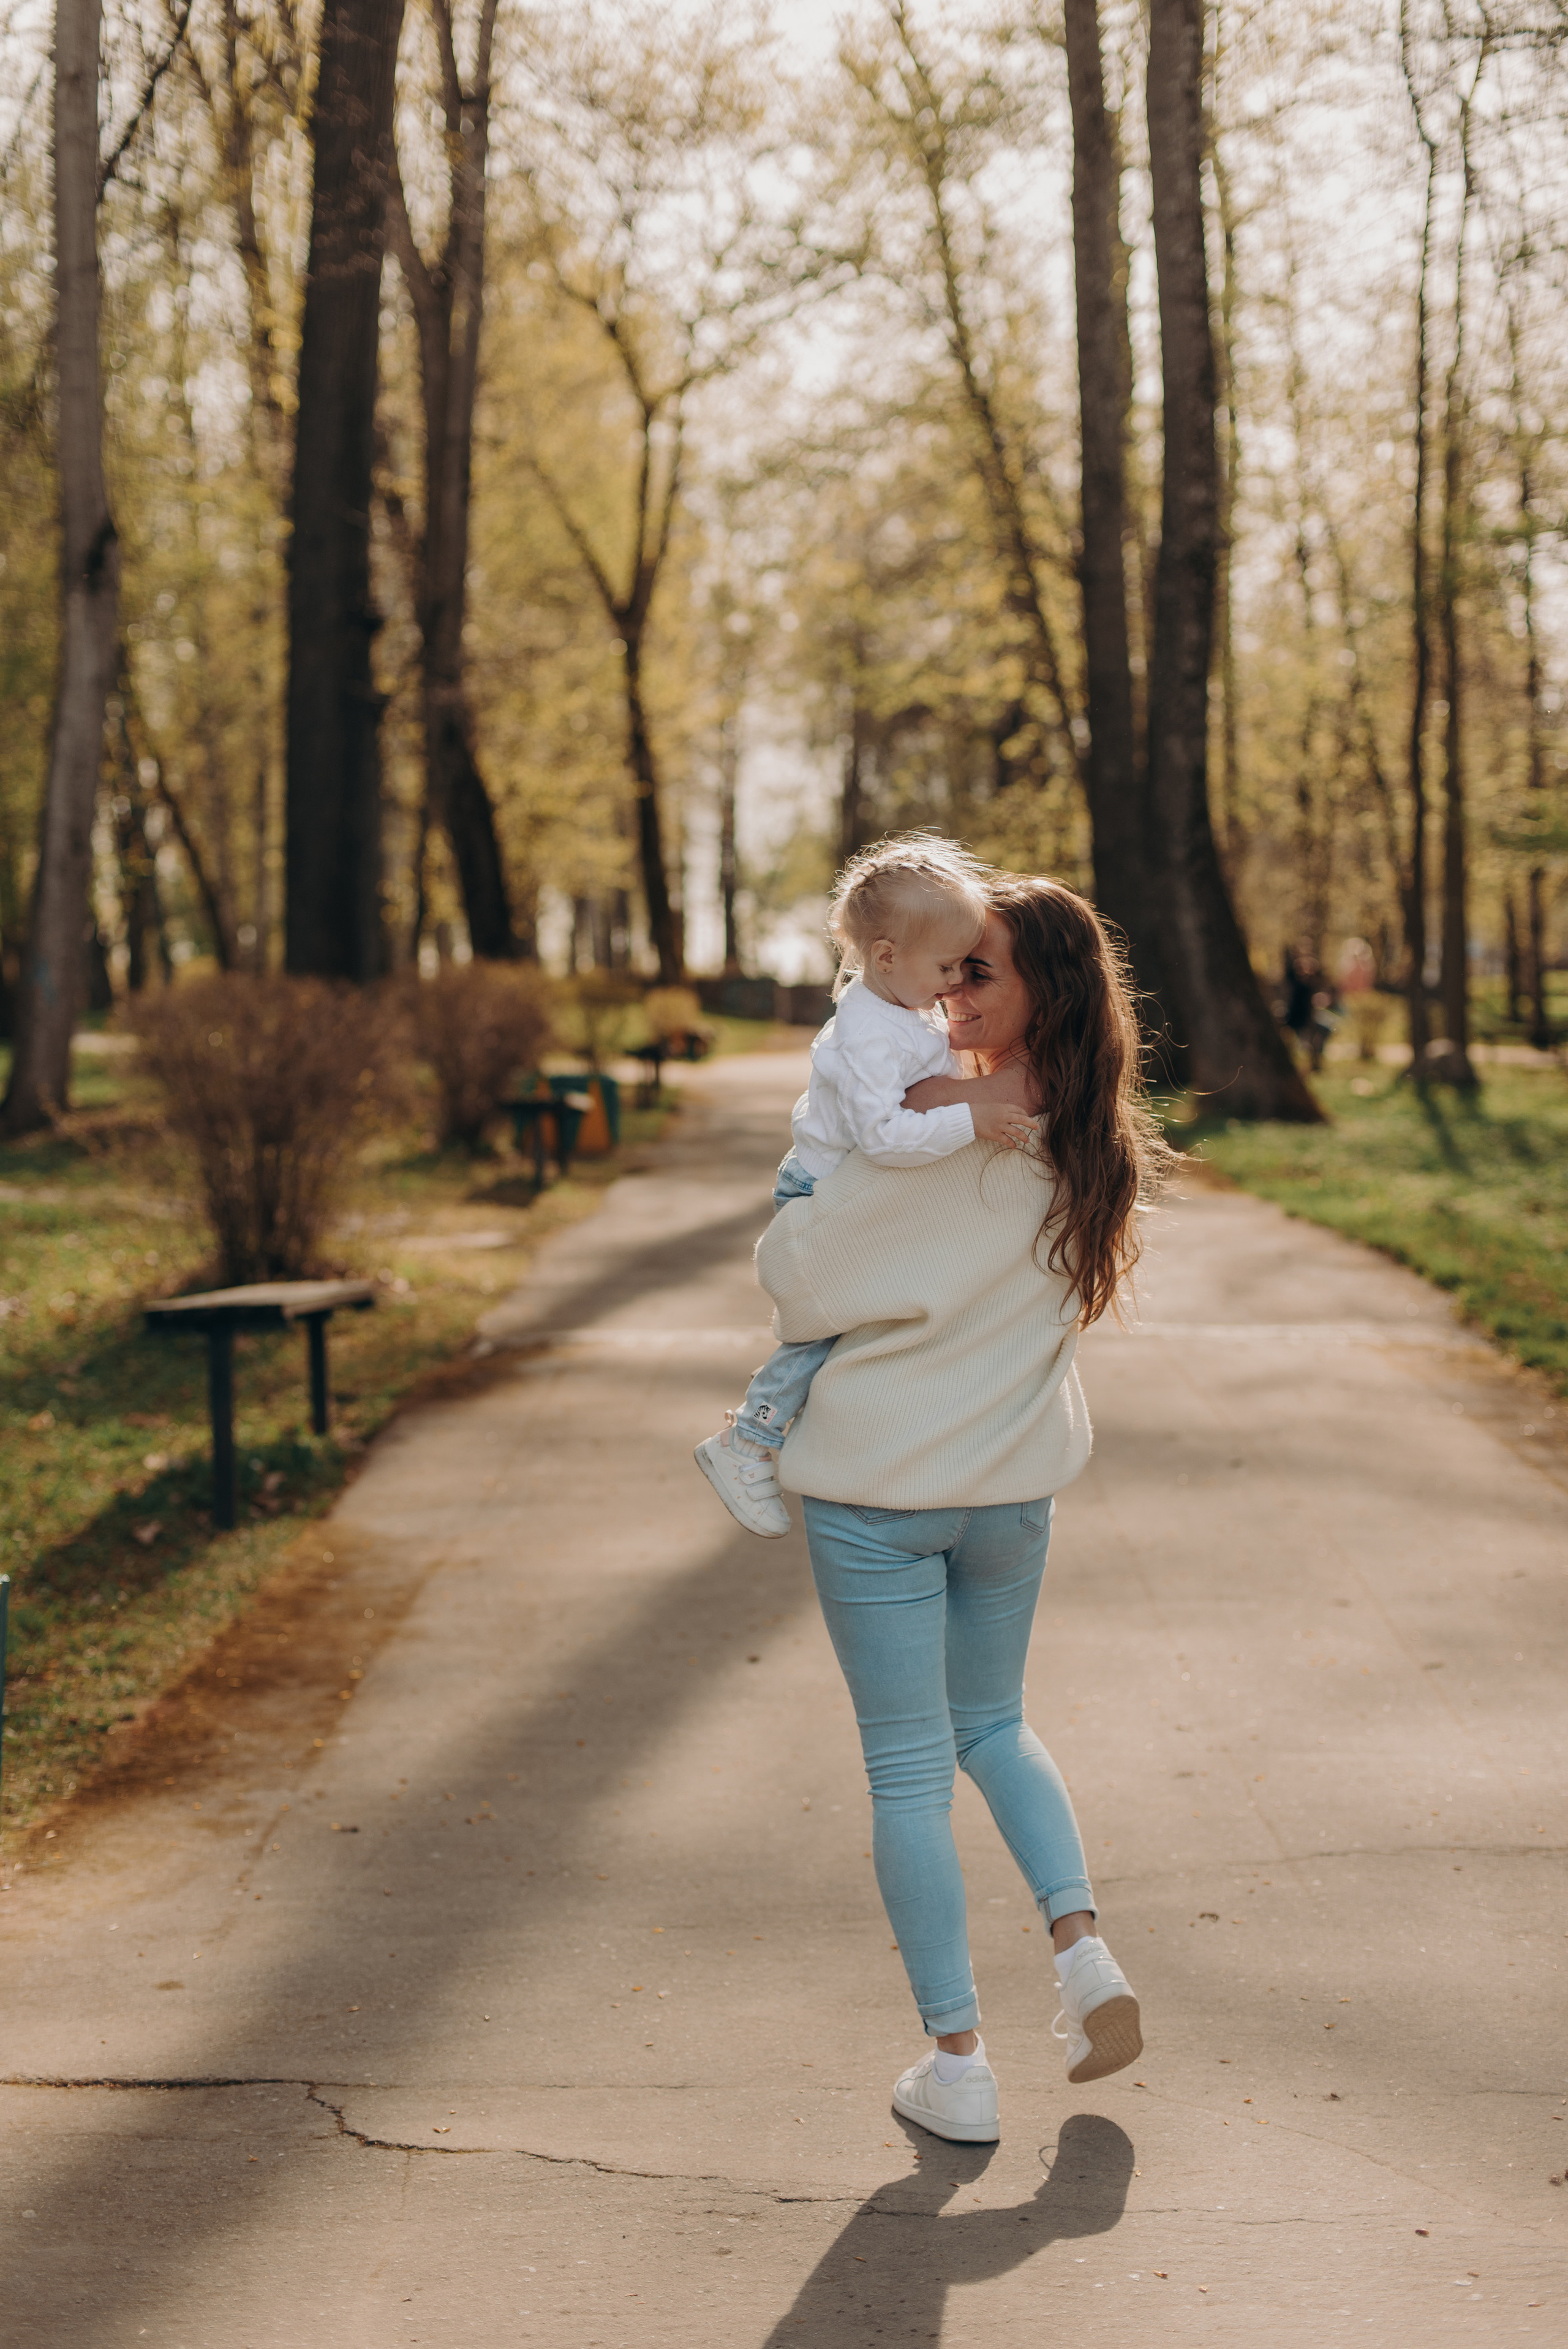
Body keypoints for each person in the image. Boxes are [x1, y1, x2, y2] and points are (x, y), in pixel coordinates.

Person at [750, 874, 1172, 2144]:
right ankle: (1083, 1952)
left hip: (880, 1490)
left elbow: (794, 1281)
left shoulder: (924, 1138)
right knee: (994, 1723)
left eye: (973, 972)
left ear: (1036, 995)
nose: (944, 989)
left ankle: (958, 2064)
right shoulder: (1089, 1147)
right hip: (1007, 1493)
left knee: (904, 1771)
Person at [695, 836, 1035, 1539]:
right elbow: (883, 1137)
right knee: (821, 1331)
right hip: (820, 1189)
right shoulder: (868, 1035)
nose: (952, 986)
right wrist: (967, 1121)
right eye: (945, 967)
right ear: (886, 957)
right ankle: (748, 1440)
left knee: (854, 1321)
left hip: (845, 1177)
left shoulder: (898, 1008)